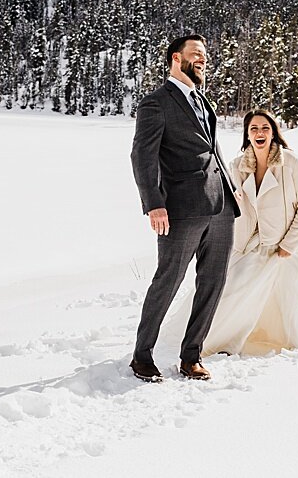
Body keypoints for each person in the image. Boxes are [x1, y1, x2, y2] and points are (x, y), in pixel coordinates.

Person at [127, 35, 240, 382]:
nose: (203, 61)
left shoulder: (203, 101)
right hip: (181, 208)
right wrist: (154, 205)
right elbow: (142, 156)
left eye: (205, 56)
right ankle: (141, 355)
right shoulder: (156, 103)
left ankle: (191, 356)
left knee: (213, 282)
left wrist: (231, 191)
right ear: (177, 58)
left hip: (220, 206)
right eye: (197, 55)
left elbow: (212, 151)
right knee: (168, 280)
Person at [163, 110, 298, 355]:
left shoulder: (290, 163)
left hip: (283, 243)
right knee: (233, 287)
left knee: (285, 302)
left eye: (265, 128)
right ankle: (212, 340)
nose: (259, 133)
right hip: (248, 242)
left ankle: (271, 340)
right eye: (254, 128)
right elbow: (224, 202)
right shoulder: (237, 166)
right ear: (247, 134)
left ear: (274, 132)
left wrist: (290, 243)